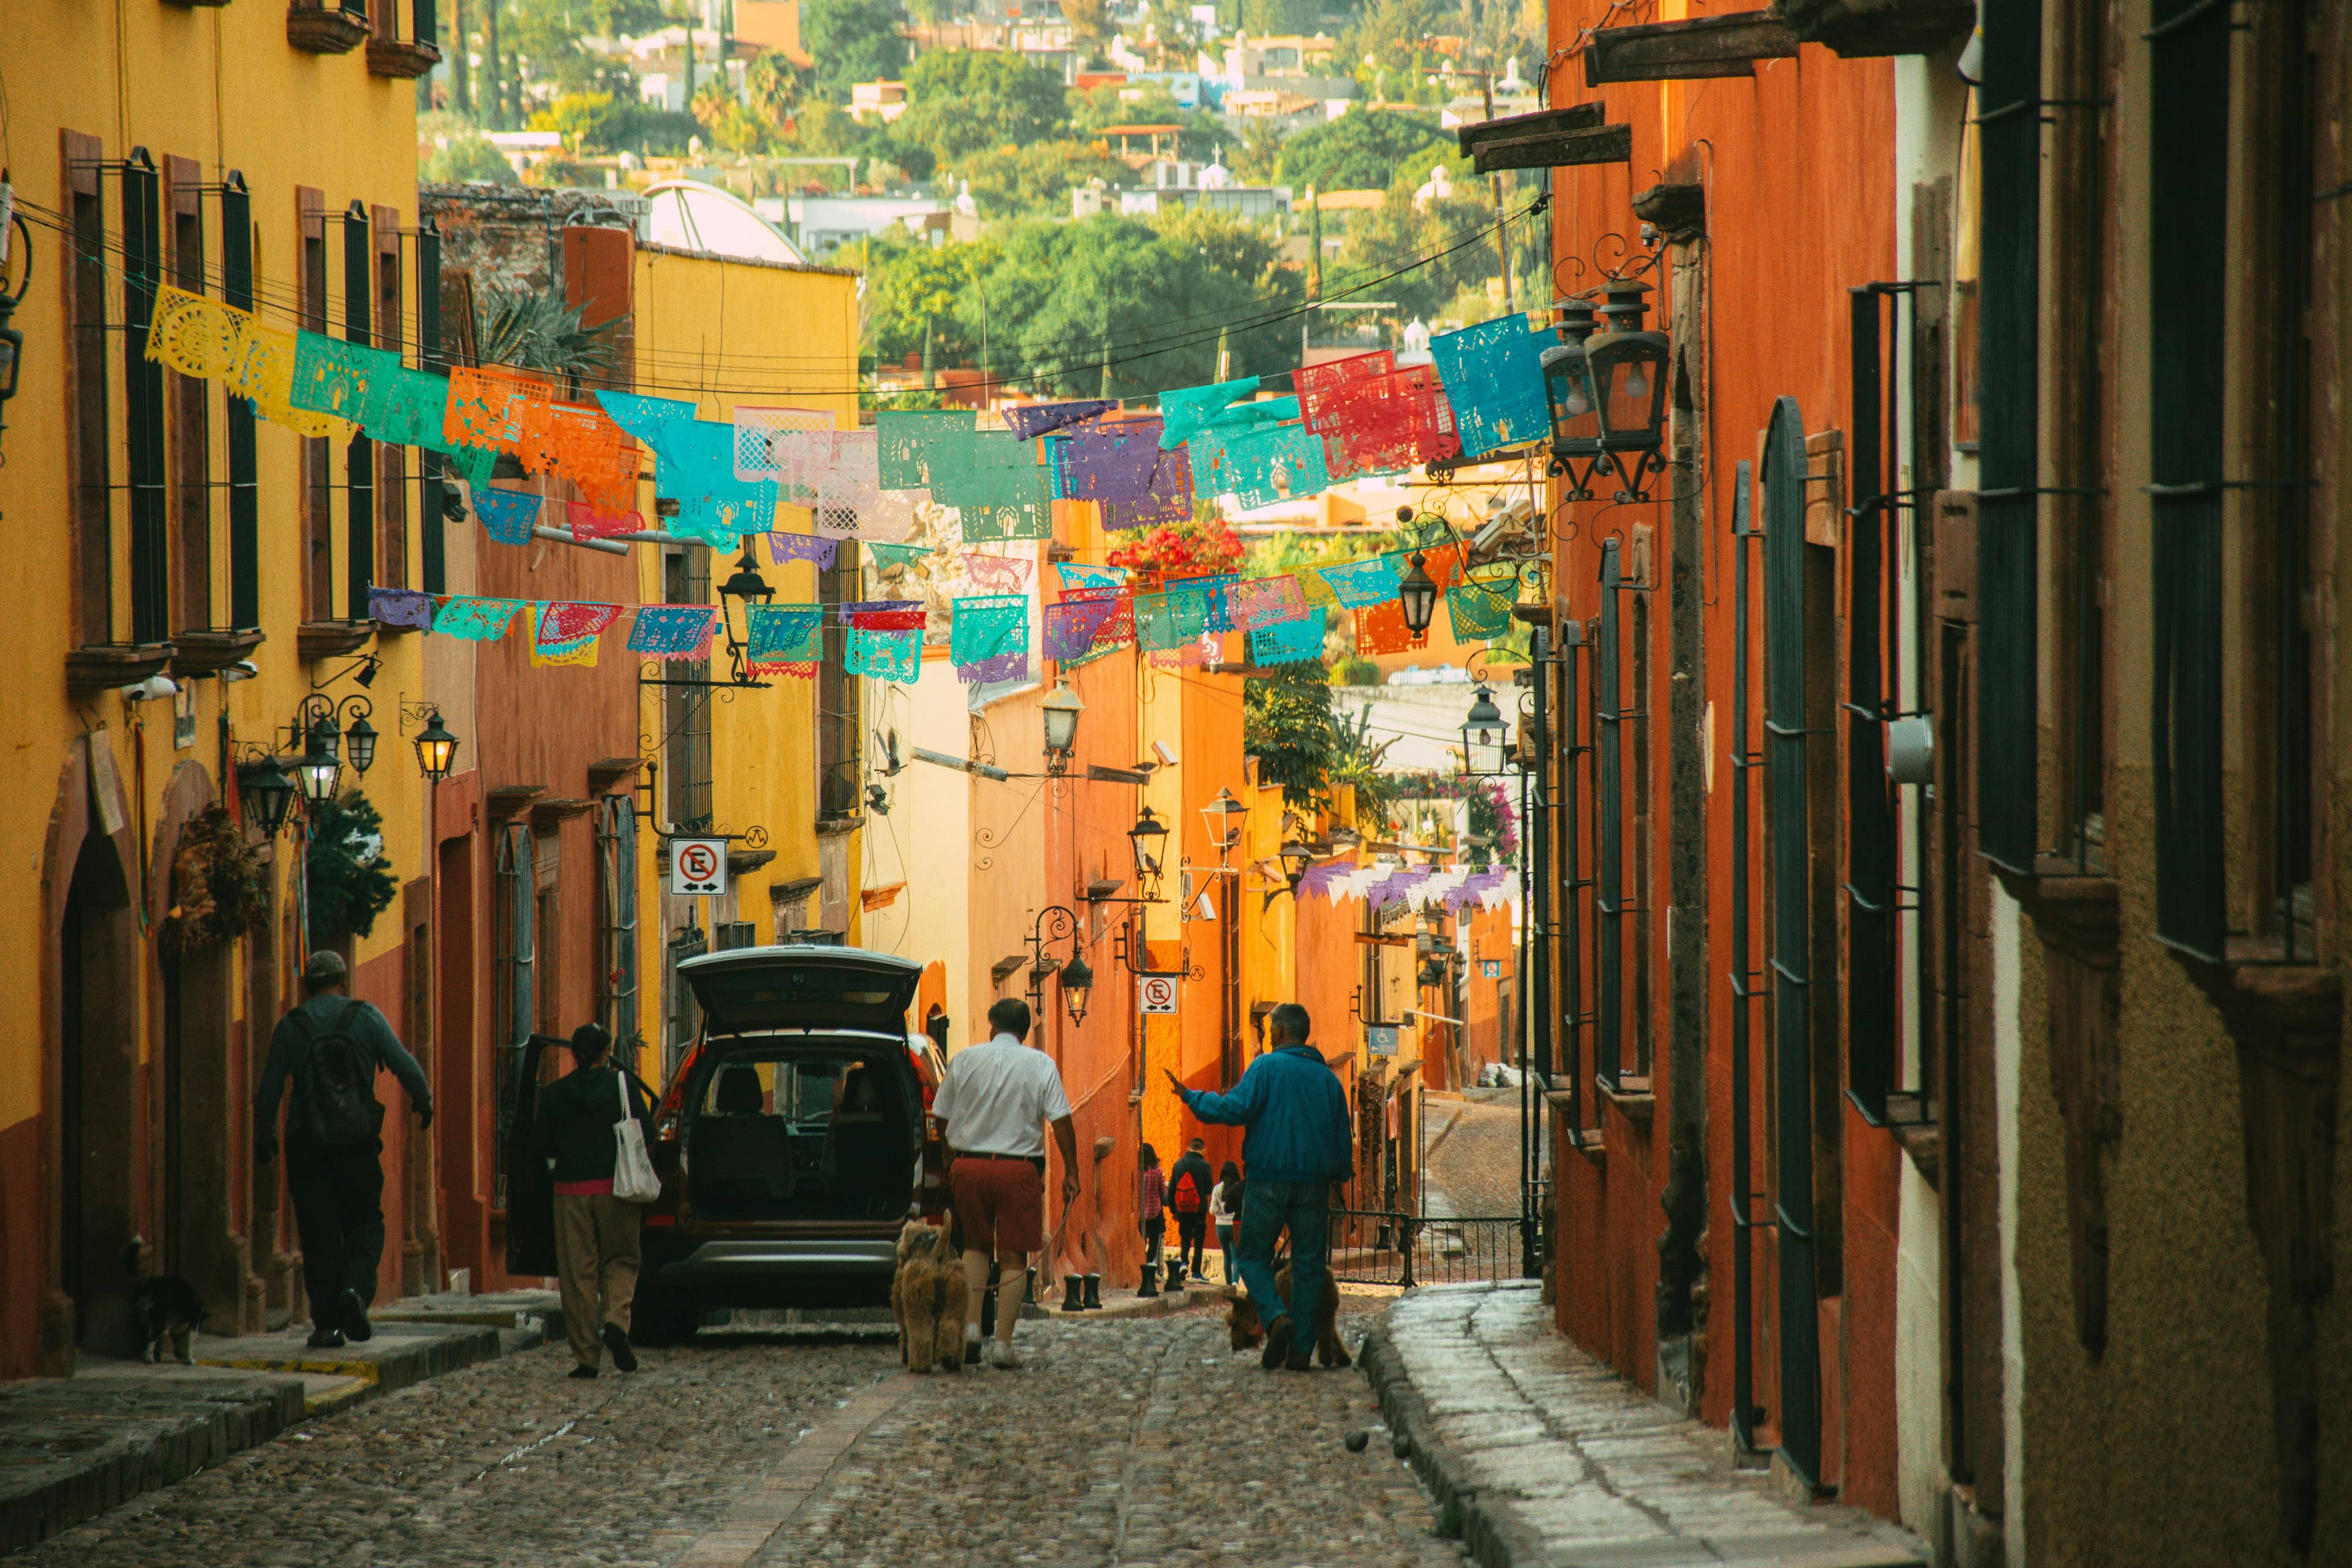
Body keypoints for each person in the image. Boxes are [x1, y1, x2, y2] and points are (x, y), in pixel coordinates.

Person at [254, 950, 433, 1349]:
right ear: (343, 979)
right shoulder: (365, 1016)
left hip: (307, 1145)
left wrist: (263, 1135)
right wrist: (424, 1100)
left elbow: (269, 1089)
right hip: (357, 1142)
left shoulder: (290, 1026)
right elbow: (403, 1062)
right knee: (365, 1221)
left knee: (318, 1232)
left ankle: (326, 1325)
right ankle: (355, 1289)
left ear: (306, 985)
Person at [1165, 1002, 1350, 1371]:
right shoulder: (1329, 1080)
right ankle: (1300, 1350)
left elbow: (1233, 1108)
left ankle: (1276, 1317)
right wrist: (1338, 1182)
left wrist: (1191, 1097)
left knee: (1250, 1256)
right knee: (1309, 1265)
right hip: (1313, 1186)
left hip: (1268, 1181)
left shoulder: (1265, 1068)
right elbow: (1342, 1139)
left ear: (1279, 1032)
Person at [931, 997, 1079, 1369]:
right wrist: (1072, 1172)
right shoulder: (1041, 1064)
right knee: (1014, 1255)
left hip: (970, 1166)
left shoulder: (965, 1059)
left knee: (975, 1247)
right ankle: (1003, 1345)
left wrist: (950, 1160)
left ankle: (970, 1329)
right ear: (1025, 1031)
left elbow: (941, 1116)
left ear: (992, 1026)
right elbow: (1061, 1120)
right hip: (1018, 1171)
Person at [534, 1023, 654, 1379]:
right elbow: (646, 1133)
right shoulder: (622, 1087)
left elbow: (543, 1146)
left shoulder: (555, 1094)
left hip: (570, 1192)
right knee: (621, 1260)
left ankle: (587, 1358)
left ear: (573, 1054)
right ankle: (616, 1323)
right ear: (607, 1052)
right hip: (616, 1189)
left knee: (578, 1274)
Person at [1167, 1138, 1215, 1287]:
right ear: (1203, 1149)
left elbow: (1171, 1190)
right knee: (1199, 1239)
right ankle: (1196, 1272)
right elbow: (1209, 1189)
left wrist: (1173, 1210)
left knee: (1185, 1236)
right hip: (1199, 1209)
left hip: (1182, 1208)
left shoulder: (1178, 1164)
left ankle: (1184, 1263)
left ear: (1188, 1148)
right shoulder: (1205, 1166)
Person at [1135, 1144, 1166, 1296]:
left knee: (1141, 1242)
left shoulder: (1137, 1173)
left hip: (1140, 1215)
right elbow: (1162, 1192)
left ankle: (1140, 1268)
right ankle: (1147, 1268)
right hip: (1155, 1212)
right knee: (1153, 1244)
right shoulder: (1157, 1172)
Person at [1210, 1161, 1244, 1285]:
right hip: (1234, 1224)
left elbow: (1212, 1210)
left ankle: (1228, 1283)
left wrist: (1220, 1210)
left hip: (1220, 1225)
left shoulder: (1217, 1189)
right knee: (1236, 1257)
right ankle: (1235, 1282)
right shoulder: (1239, 1188)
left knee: (1226, 1256)